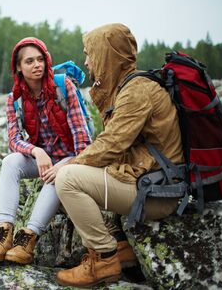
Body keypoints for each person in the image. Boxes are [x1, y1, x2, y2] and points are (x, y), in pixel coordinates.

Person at [54, 23, 184, 287]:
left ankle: (104, 258)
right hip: (149, 184)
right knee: (76, 170)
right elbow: (116, 147)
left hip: (158, 195)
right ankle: (122, 246)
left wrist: (71, 163)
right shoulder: (126, 87)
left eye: (90, 54)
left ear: (107, 54)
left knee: (67, 179)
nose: (87, 62)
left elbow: (112, 144)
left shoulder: (136, 91)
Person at [0, 37, 91, 265]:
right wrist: (37, 152)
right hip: (45, 156)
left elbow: (83, 142)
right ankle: (3, 234)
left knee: (55, 176)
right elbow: (14, 140)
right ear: (19, 67)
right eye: (29, 61)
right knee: (11, 162)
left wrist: (64, 165)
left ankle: (28, 239)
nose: (37, 65)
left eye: (40, 59)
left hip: (74, 158)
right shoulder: (14, 99)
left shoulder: (63, 86)